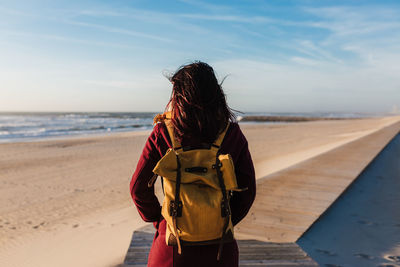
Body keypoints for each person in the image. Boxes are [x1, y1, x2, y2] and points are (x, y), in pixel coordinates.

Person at [130, 61, 256, 267]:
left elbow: (138, 189)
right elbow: (247, 191)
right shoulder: (232, 134)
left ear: (178, 96)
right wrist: (219, 220)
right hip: (220, 250)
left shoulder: (163, 133)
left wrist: (162, 221)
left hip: (171, 248)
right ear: (217, 94)